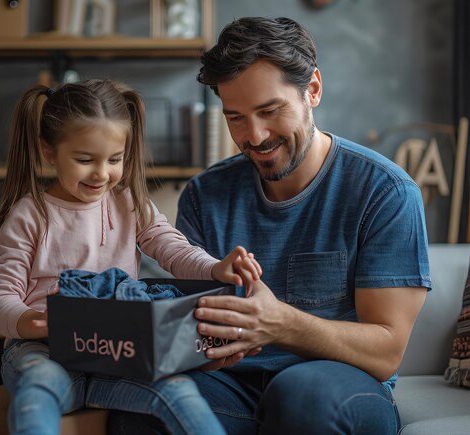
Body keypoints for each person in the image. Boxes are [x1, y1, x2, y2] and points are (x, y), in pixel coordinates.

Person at [109, 16, 431, 435]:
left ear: (312, 89)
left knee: (300, 398)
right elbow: (192, 327)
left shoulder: (384, 191)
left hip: (339, 385)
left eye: (269, 110)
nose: (254, 136)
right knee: (140, 406)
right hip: (230, 385)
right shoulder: (205, 195)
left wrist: (281, 323)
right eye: (236, 118)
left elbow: (386, 350)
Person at [0, 79, 261, 435]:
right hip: (42, 352)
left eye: (115, 159)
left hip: (116, 353)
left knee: (179, 392)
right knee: (38, 386)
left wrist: (215, 267)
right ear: (49, 152)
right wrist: (29, 321)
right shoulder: (30, 214)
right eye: (85, 160)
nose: (102, 174)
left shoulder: (128, 203)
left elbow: (173, 249)